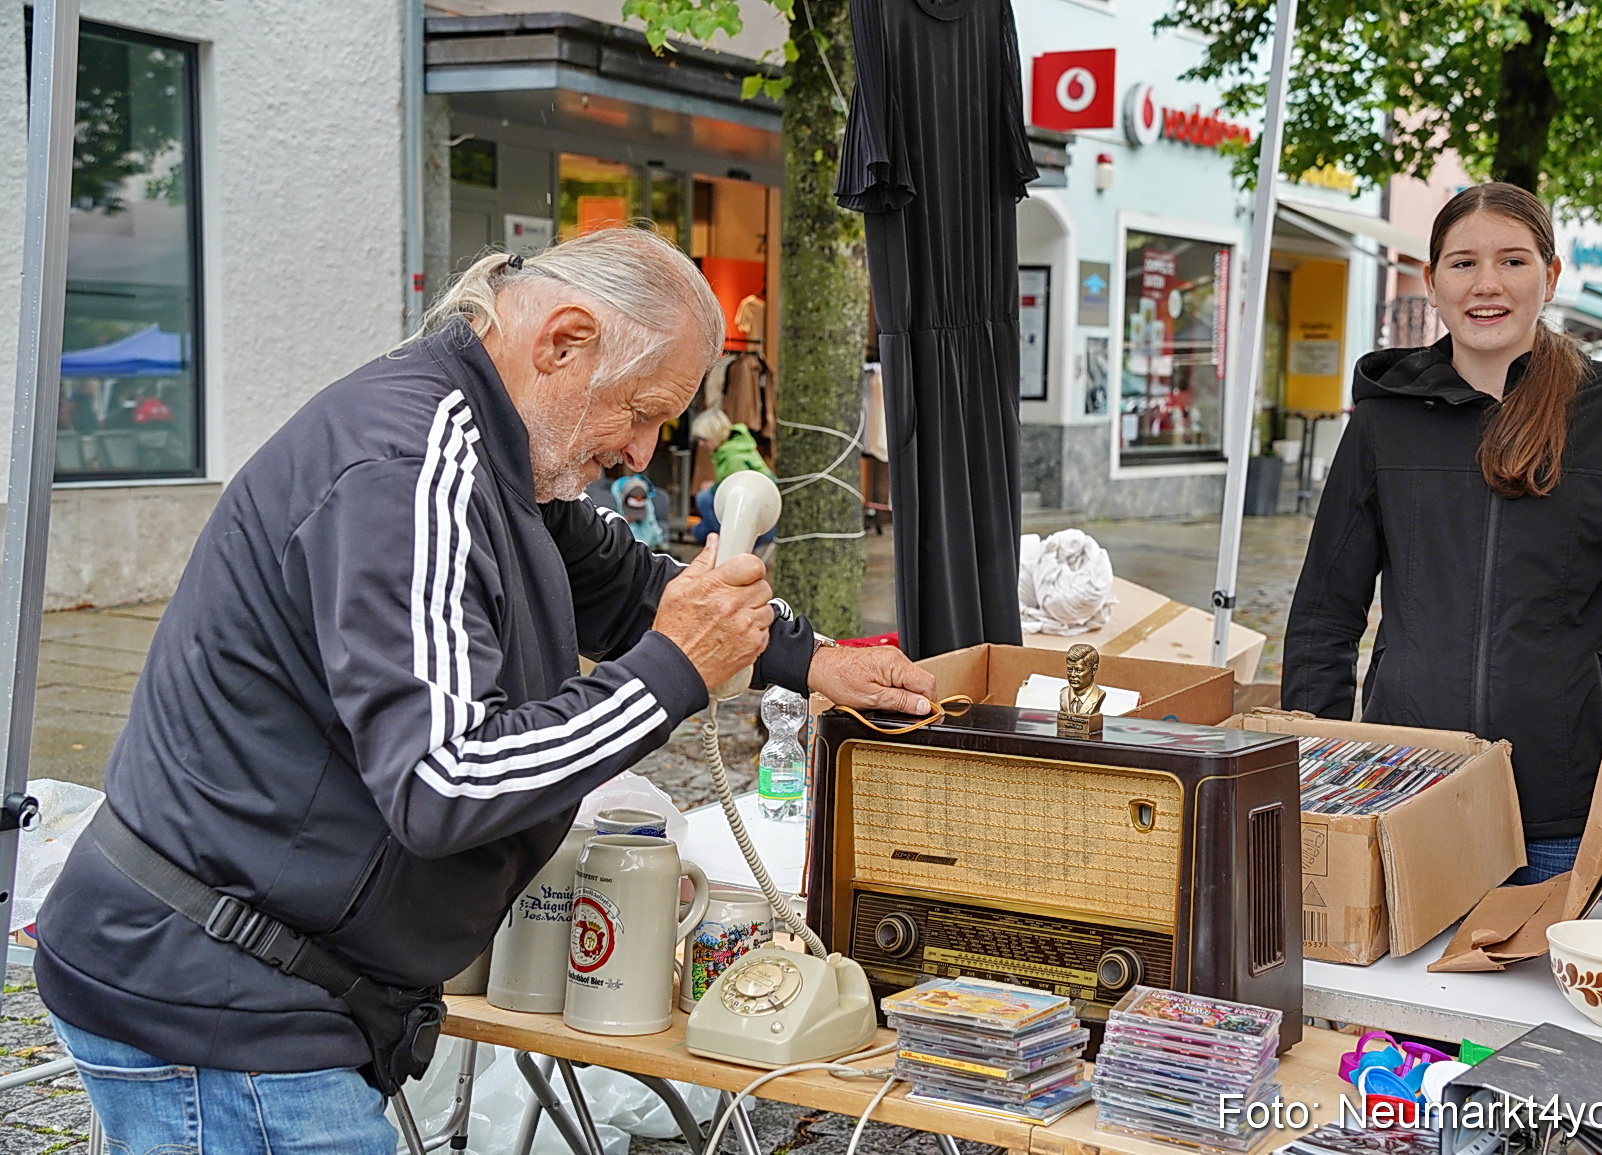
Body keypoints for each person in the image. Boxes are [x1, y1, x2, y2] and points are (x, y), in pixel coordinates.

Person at [34, 228, 936, 1153]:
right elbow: (445, 780)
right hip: (223, 995)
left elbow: (626, 584)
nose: (640, 449)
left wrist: (815, 659)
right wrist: (672, 670)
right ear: (563, 342)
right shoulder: (412, 469)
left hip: (268, 980)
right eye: (641, 409)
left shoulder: (503, 444)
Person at [1282, 182, 1602, 904]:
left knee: (1550, 1020)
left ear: (1551, 275)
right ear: (1432, 282)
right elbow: (1325, 613)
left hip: (1572, 816)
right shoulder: (1384, 424)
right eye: (1462, 263)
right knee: (1401, 1018)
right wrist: (1314, 788)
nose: (1486, 285)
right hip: (1404, 794)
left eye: (1512, 261)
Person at [691, 406, 775, 547]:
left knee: (704, 499)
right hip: (756, 515)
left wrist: (714, 488)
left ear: (715, 435)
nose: (701, 444)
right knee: (698, 530)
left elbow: (740, 495)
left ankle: (729, 545)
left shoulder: (734, 458)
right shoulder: (734, 447)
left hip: (759, 521)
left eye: (704, 439)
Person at [1058, 643, 1106, 716]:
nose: (1073, 674)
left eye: (1079, 670)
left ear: (1094, 669)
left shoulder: (1098, 695)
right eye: (1070, 669)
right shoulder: (1063, 693)